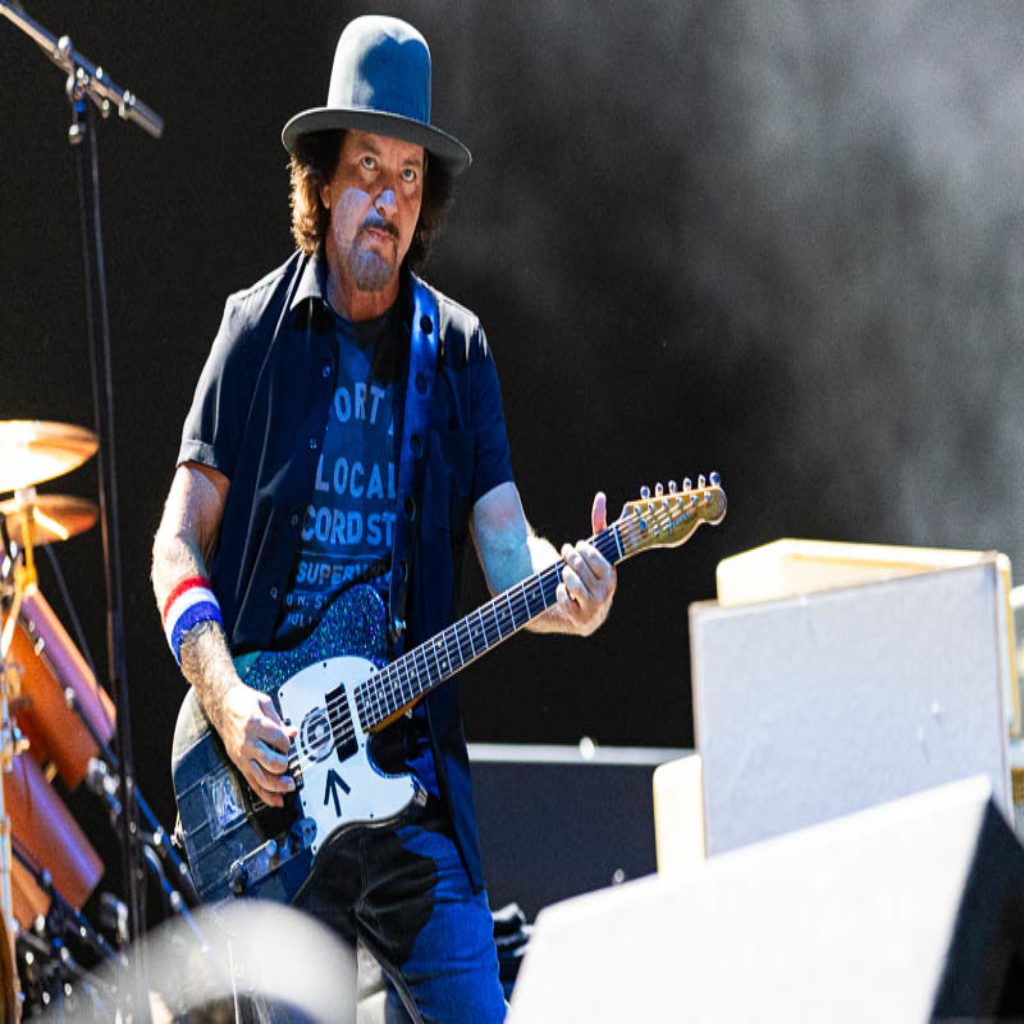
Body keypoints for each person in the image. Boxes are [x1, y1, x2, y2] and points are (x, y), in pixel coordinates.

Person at [151, 15, 616, 1023]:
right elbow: (176, 542)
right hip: (272, 795)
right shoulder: (253, 332)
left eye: (409, 177)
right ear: (323, 181)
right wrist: (227, 701)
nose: (390, 198)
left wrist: (570, 589)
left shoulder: (457, 350)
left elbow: (511, 558)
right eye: (369, 167)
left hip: (411, 797)